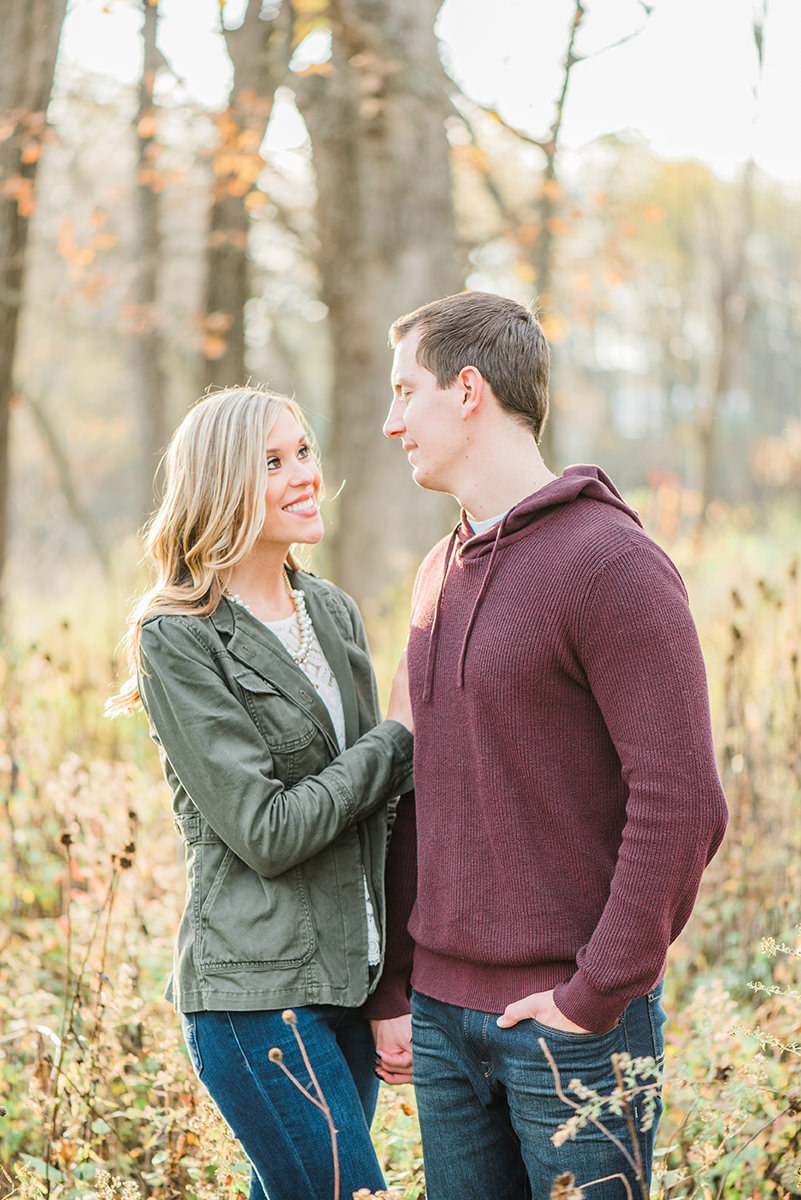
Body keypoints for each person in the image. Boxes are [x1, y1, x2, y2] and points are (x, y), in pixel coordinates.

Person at [364, 291, 729, 1199]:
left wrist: (593, 993)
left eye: (406, 392)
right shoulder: (436, 571)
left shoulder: (612, 565)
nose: (389, 421)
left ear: (468, 390)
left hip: (570, 1029)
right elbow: (422, 790)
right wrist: (401, 987)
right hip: (443, 1027)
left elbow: (682, 800)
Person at [107, 386, 414, 1200]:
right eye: (273, 462)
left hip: (348, 981)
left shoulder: (334, 613)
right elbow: (266, 829)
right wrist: (394, 739)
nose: (304, 474)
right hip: (254, 1002)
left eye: (304, 452)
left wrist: (393, 986)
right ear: (222, 485)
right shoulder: (178, 635)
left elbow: (378, 818)